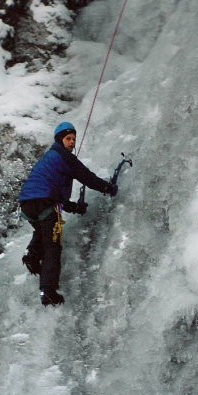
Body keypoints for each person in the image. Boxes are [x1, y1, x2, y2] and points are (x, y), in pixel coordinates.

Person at [19, 121, 118, 306]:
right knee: (53, 246)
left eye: (73, 139)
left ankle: (31, 254)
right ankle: (48, 291)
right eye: (68, 138)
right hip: (44, 203)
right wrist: (108, 188)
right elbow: (88, 178)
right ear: (59, 140)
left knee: (43, 230)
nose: (72, 142)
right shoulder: (65, 157)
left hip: (28, 204)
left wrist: (74, 207)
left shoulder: (50, 157)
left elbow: (54, 195)